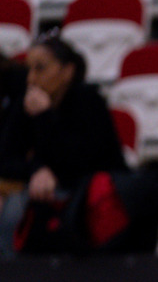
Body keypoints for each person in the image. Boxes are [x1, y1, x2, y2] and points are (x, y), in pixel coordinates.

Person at [0, 34, 126, 254]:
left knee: (20, 211)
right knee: (12, 209)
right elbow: (5, 159)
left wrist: (46, 116)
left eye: (40, 69)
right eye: (29, 69)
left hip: (95, 193)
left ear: (67, 71)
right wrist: (36, 169)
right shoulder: (26, 103)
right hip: (49, 193)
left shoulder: (88, 101)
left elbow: (78, 162)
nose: (31, 79)